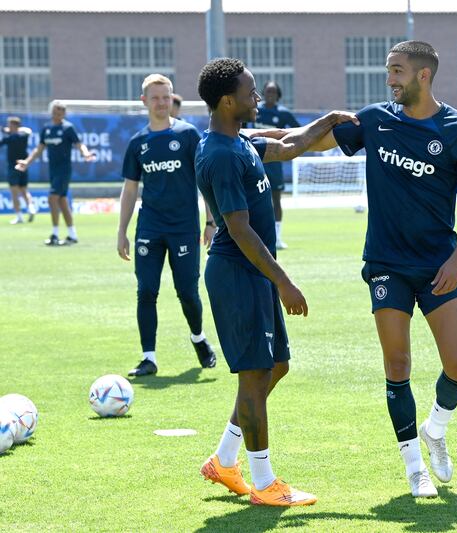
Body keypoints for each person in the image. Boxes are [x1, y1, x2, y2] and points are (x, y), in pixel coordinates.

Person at [312, 41, 457, 498]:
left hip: (438, 266)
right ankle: (414, 466)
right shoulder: (374, 118)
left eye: (397, 71)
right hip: (387, 264)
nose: (390, 79)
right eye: (389, 71)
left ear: (423, 75)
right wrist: (256, 145)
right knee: (398, 364)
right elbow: (305, 144)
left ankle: (435, 428)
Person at [194, 57, 358, 506]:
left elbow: (290, 145)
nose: (256, 98)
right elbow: (240, 229)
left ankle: (224, 460)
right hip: (237, 272)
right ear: (227, 101)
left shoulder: (240, 140)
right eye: (249, 92)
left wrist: (329, 119)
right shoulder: (220, 154)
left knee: (275, 366)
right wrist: (284, 282)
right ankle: (265, 485)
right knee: (255, 374)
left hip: (253, 272)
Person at [117, 74, 217, 377]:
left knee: (187, 292)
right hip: (149, 228)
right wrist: (121, 231)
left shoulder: (188, 135)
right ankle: (149, 357)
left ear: (172, 98)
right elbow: (130, 189)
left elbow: (205, 180)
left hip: (184, 228)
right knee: (146, 290)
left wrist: (211, 221)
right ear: (144, 101)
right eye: (155, 97)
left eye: (166, 97)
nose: (161, 103)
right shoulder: (138, 143)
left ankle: (198, 338)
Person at [16, 100, 96, 245]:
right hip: (53, 171)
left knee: (52, 198)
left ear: (64, 114)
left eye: (60, 113)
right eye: (54, 112)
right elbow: (39, 149)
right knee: (62, 201)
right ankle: (72, 235)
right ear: (51, 112)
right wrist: (26, 162)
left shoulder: (68, 128)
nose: (57, 115)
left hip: (64, 170)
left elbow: (79, 144)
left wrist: (85, 154)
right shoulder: (46, 129)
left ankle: (54, 234)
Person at [252, 81, 300, 250]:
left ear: (278, 94)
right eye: (267, 92)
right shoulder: (256, 110)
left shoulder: (283, 113)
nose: (270, 95)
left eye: (273, 92)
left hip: (274, 164)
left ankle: (277, 237)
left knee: (276, 200)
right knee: (253, 199)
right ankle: (256, 236)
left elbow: (299, 131)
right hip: (256, 162)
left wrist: (285, 145)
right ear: (263, 93)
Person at [1, 117, 36, 224]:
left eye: (10, 125)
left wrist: (7, 132)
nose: (8, 127)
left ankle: (19, 216)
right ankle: (31, 208)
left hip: (13, 166)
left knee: (14, 193)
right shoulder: (23, 136)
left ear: (15, 126)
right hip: (23, 166)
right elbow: (28, 131)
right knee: (24, 190)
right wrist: (10, 130)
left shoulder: (10, 138)